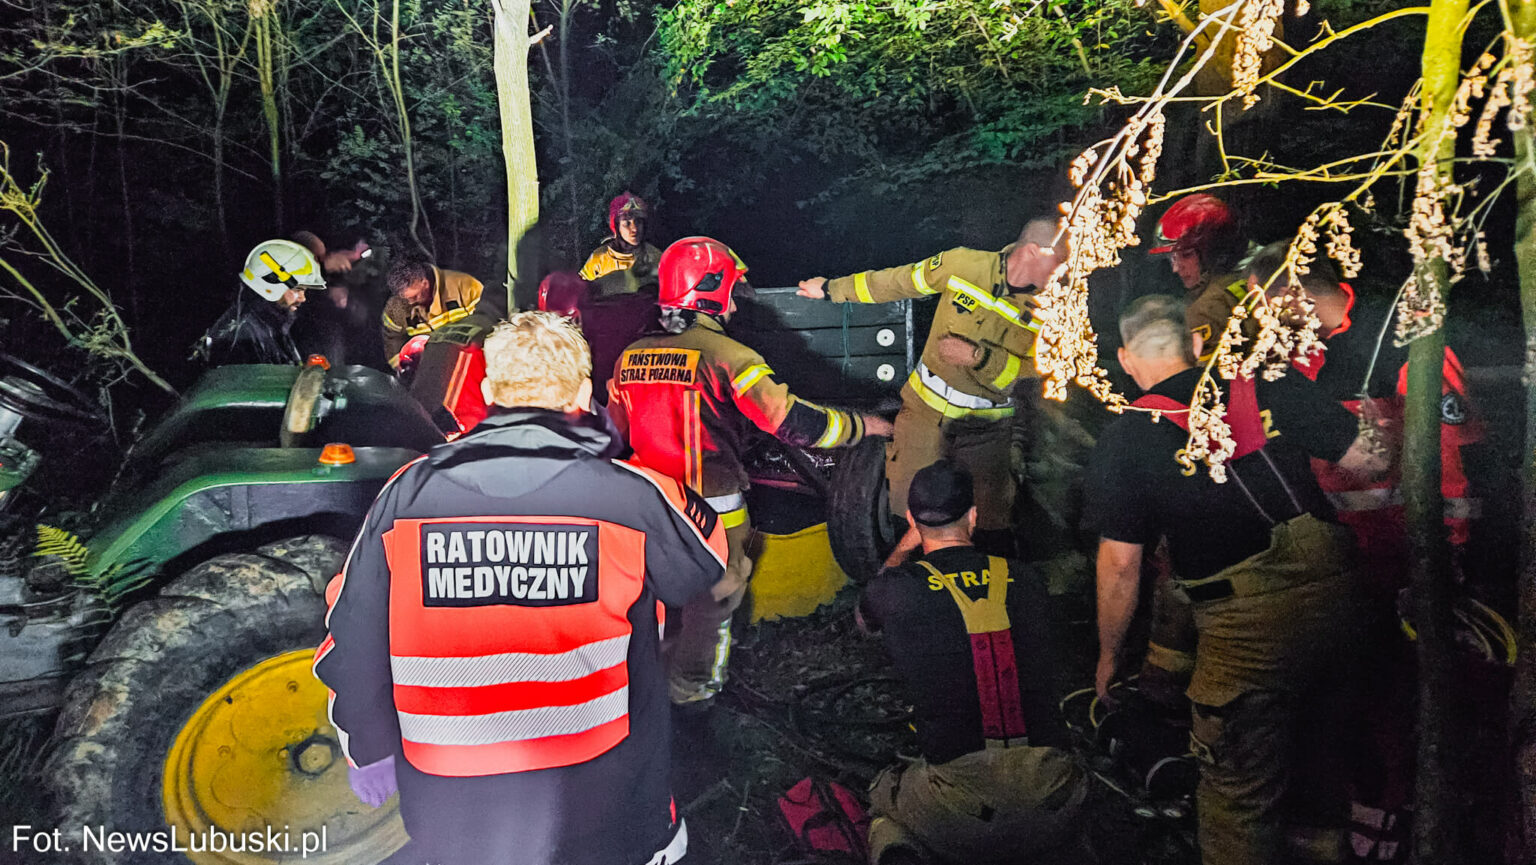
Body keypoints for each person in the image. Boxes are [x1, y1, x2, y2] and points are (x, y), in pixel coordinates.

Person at [314, 311, 730, 865]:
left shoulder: (406, 493)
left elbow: (351, 629)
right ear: (584, 392)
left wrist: (366, 749)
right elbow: (703, 566)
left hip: (447, 797)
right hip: (599, 792)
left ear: (488, 391)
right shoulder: (633, 494)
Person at [1084, 295, 1387, 865]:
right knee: (1321, 770)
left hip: (1247, 629)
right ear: (1197, 344)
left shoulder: (1128, 438)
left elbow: (1121, 565)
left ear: (1125, 360)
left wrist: (1108, 657)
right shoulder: (1261, 384)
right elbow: (1371, 462)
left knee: (1237, 795)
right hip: (1342, 599)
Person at [608, 236, 892, 706]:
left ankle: (636, 684)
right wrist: (865, 426)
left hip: (644, 500)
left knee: (647, 590)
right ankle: (692, 692)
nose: (736, 311)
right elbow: (795, 423)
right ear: (711, 290)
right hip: (714, 501)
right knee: (721, 590)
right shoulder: (731, 357)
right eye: (730, 296)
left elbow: (617, 432)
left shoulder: (630, 356)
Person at [860, 460, 1087, 865]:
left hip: (960, 813)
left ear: (912, 518)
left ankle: (900, 850)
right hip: (1056, 794)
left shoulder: (898, 590)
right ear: (974, 516)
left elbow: (864, 618)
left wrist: (903, 549)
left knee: (883, 796)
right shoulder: (1028, 580)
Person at [796, 218, 1064, 556]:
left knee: (988, 524)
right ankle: (908, 591)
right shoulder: (965, 265)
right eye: (1061, 261)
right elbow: (898, 282)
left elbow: (1044, 369)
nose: (1065, 272)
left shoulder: (1056, 307)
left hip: (987, 429)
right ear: (1032, 252)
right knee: (907, 510)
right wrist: (831, 289)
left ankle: (982, 594)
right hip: (925, 414)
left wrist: (980, 357)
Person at [1244, 241, 1482, 591]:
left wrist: (1451, 547)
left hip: (1407, 550)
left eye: (1260, 304)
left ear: (1292, 296)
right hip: (1339, 557)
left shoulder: (1398, 336)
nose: (1256, 318)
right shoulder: (1289, 357)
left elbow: (1455, 451)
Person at [195, 239, 325, 366]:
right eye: (298, 290)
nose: (303, 298)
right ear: (271, 284)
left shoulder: (272, 322)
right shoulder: (239, 337)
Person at [1146, 194, 1250, 350]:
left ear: (1214, 252)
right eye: (1172, 258)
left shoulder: (1204, 311)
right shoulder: (1261, 277)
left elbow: (1198, 373)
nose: (1176, 268)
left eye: (1186, 255)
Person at [382, 259, 484, 369]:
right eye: (406, 299)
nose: (411, 302)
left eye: (414, 297)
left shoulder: (465, 287)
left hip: (470, 360)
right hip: (429, 369)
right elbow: (392, 339)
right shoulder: (396, 307)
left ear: (425, 283)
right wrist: (401, 368)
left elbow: (486, 319)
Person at [581, 192, 663, 297]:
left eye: (638, 222)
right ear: (616, 226)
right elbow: (580, 293)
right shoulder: (599, 258)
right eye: (627, 223)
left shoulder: (654, 257)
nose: (634, 229)